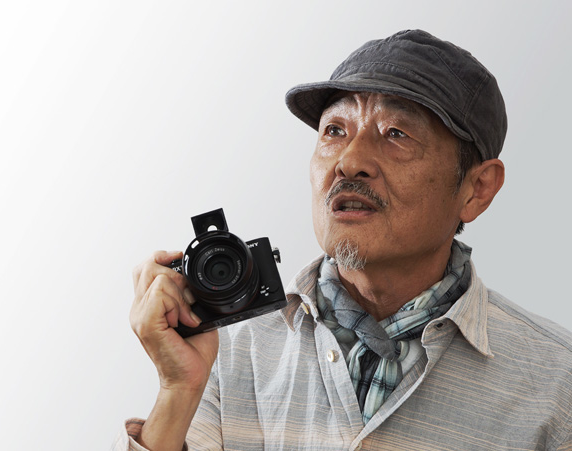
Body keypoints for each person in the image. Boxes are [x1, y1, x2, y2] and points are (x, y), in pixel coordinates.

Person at [113, 29, 572, 450]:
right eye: (334, 130)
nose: (350, 161)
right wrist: (178, 389)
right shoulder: (228, 350)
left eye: (396, 134)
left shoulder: (557, 385)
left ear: (477, 189)